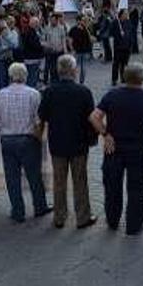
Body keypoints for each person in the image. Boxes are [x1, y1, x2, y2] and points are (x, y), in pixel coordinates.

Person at [89, 62, 143, 235]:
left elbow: (94, 117)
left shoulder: (112, 95)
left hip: (114, 148)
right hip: (138, 149)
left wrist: (105, 133)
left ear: (124, 77)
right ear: (142, 78)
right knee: (137, 188)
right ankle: (133, 225)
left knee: (112, 186)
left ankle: (113, 220)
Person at [38, 55, 97, 229]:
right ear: (73, 70)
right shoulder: (83, 91)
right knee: (80, 181)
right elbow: (91, 118)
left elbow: (43, 116)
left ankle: (59, 217)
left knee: (59, 181)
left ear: (58, 70)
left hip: (57, 142)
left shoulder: (49, 91)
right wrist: (94, 137)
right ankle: (82, 217)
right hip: (79, 143)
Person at [0, 64, 50, 222]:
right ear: (25, 76)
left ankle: (18, 211)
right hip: (27, 138)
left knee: (12, 178)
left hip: (7, 139)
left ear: (10, 76)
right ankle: (40, 206)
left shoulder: (0, 95)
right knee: (34, 176)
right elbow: (38, 119)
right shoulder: (33, 94)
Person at [42, 13, 69, 85]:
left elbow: (63, 39)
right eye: (51, 20)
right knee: (50, 67)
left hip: (59, 51)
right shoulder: (47, 28)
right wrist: (47, 45)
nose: (52, 22)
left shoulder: (61, 28)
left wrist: (64, 49)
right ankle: (48, 80)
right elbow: (43, 40)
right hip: (50, 51)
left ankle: (57, 80)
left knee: (58, 67)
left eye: (54, 20)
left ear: (57, 20)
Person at [68, 17, 93, 84]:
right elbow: (70, 40)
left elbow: (89, 40)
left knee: (82, 68)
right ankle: (76, 81)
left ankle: (81, 81)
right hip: (77, 51)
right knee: (76, 67)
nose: (83, 22)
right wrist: (72, 49)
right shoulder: (74, 29)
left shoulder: (85, 29)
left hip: (83, 51)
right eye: (82, 21)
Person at [111, 10, 132, 87]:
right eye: (125, 14)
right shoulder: (116, 22)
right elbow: (112, 32)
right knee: (116, 64)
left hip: (126, 46)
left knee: (124, 63)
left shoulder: (128, 22)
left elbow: (130, 33)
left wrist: (130, 44)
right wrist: (119, 32)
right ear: (121, 15)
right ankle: (114, 79)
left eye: (127, 14)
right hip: (118, 47)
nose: (127, 15)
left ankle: (123, 77)